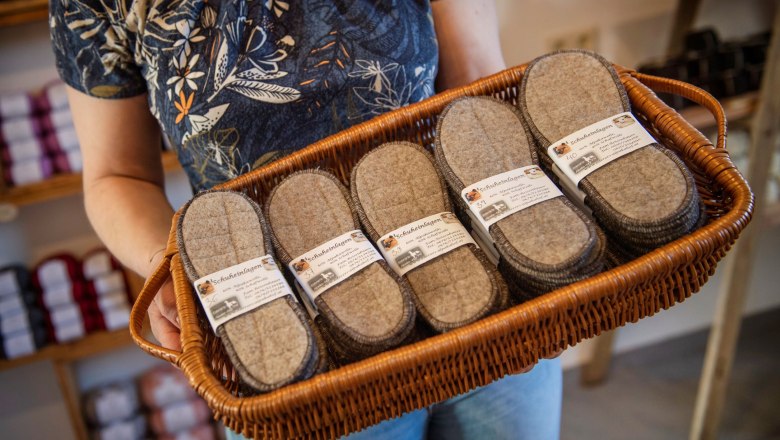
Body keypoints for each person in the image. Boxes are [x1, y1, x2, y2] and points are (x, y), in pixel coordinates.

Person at [50, 1, 561, 438]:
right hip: (287, 338)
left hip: (473, 280)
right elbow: (117, 175)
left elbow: (474, 82)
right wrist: (171, 267)